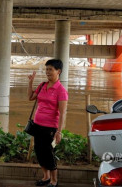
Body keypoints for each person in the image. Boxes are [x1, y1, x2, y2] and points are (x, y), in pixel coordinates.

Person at [27, 59, 68, 187]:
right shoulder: (42, 85)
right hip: (37, 124)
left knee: (48, 153)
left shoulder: (61, 90)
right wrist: (30, 82)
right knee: (39, 151)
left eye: (51, 69)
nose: (48, 72)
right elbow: (30, 97)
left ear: (58, 71)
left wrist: (59, 131)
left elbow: (62, 113)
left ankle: (54, 181)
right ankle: (46, 177)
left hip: (50, 127)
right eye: (47, 69)